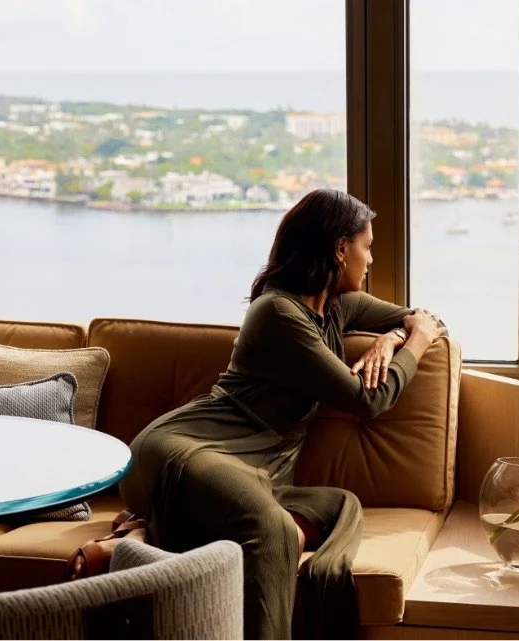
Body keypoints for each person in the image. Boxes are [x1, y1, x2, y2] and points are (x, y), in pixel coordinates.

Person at [119, 189, 446, 640]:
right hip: (189, 449)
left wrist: (390, 340)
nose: (370, 260)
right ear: (339, 248)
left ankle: (147, 537)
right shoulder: (276, 313)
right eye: (366, 247)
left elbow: (424, 320)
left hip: (254, 472)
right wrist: (415, 343)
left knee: (339, 507)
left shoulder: (337, 307)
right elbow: (368, 399)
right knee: (274, 530)